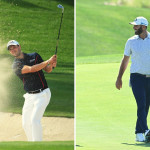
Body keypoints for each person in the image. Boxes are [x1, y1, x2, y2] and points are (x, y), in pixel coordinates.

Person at [7, 40, 57, 141]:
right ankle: (32, 145)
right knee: (25, 123)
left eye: (14, 47)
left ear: (19, 46)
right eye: (10, 49)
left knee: (34, 120)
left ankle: (38, 145)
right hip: (29, 96)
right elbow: (31, 69)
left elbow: (47, 69)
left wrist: (51, 64)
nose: (13, 50)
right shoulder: (16, 65)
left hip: (42, 94)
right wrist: (48, 61)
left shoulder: (34, 56)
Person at [115, 16, 150, 142]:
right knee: (141, 104)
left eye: (137, 25)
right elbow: (125, 60)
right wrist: (119, 77)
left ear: (144, 27)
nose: (134, 27)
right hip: (137, 78)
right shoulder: (131, 41)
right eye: (134, 25)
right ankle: (146, 130)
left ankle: (138, 133)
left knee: (146, 106)